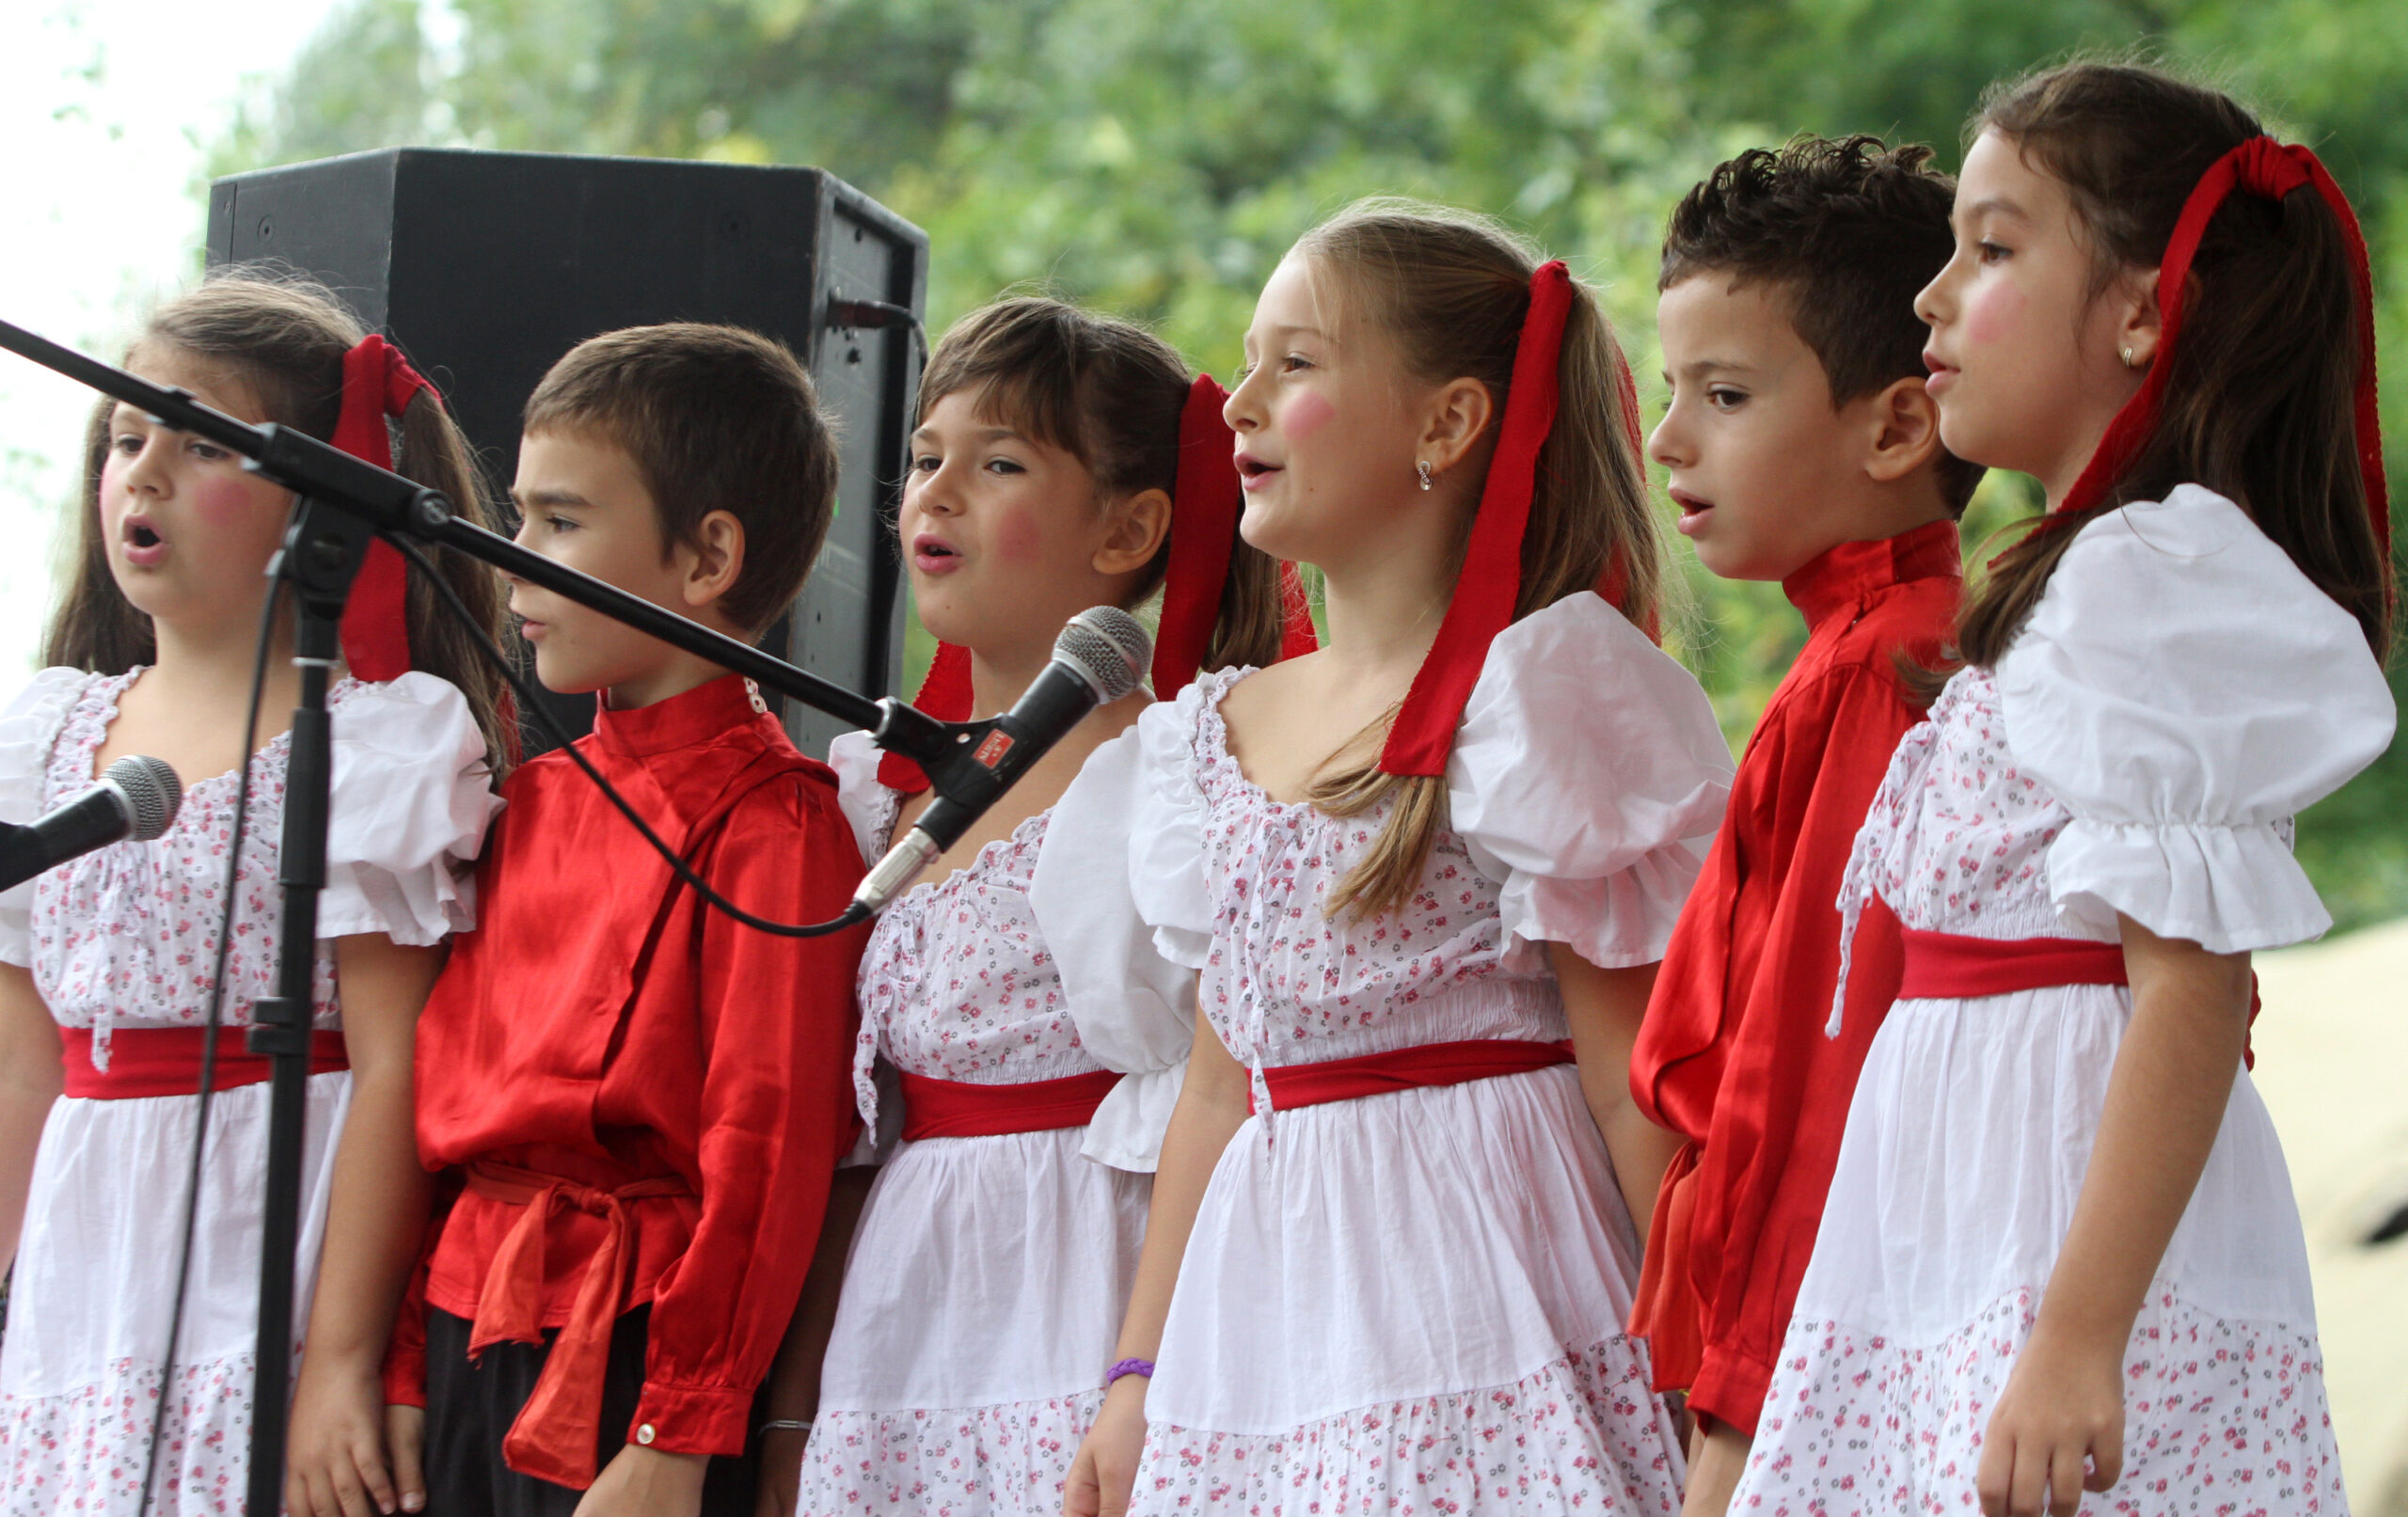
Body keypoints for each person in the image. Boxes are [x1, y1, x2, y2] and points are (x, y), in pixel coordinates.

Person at [1732, 61, 2395, 1517]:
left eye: (1992, 249)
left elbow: (2190, 988)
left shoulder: (2149, 584)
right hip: (1967, 1226)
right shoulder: (2078, 588)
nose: (1931, 296)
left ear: (2141, 313)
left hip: (2060, 1245)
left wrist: (2079, 1337)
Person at [1059, 201, 1735, 1516]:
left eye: (1296, 363)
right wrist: (1136, 1374)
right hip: (1267, 1322)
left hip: (1484, 1295)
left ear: (1448, 423)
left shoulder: (1535, 696)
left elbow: (1632, 1090)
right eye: (1247, 363)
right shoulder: (1213, 731)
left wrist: (1716, 1386)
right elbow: (1217, 1092)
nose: (1240, 403)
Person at [0, 269, 509, 1515]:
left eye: (200, 442)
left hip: (269, 1234)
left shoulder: (373, 743)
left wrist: (339, 1360)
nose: (145, 473)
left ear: (317, 501)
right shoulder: (47, 733)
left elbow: (395, 1067)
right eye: (127, 438)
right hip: (81, 1269)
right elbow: (22, 1061)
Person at [789, 295, 1307, 1515]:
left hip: (1094, 1277)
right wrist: (791, 1401)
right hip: (906, 1306)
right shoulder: (878, 792)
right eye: (924, 457)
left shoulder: (1180, 771)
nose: (937, 491)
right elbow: (855, 1139)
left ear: (1130, 526)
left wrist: (1140, 1372)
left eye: (999, 463)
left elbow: (1213, 1099)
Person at [384, 324, 869, 1517]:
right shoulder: (530, 800)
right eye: (519, 518)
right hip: (461, 1326)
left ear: (709, 557)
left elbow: (765, 1156)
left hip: (634, 1349)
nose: (514, 562)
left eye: (560, 521)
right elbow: (445, 1134)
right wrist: (399, 1368)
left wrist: (678, 1425)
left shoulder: (776, 823)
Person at [1622, 134, 1979, 1515]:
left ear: (1896, 427)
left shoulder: (1884, 674)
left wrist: (1744, 1405)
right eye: (1671, 391)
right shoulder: (1876, 646)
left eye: (1723, 394)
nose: (1668, 439)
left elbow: (1808, 1077)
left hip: (1814, 1350)